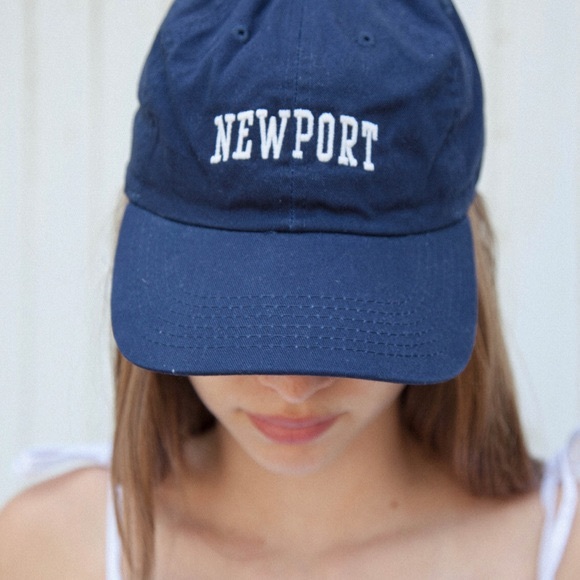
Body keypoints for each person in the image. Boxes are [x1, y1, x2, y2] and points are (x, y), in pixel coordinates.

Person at [0, 0, 579, 578]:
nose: (293, 387)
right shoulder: (50, 551)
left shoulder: (558, 546)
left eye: (354, 315)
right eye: (232, 310)